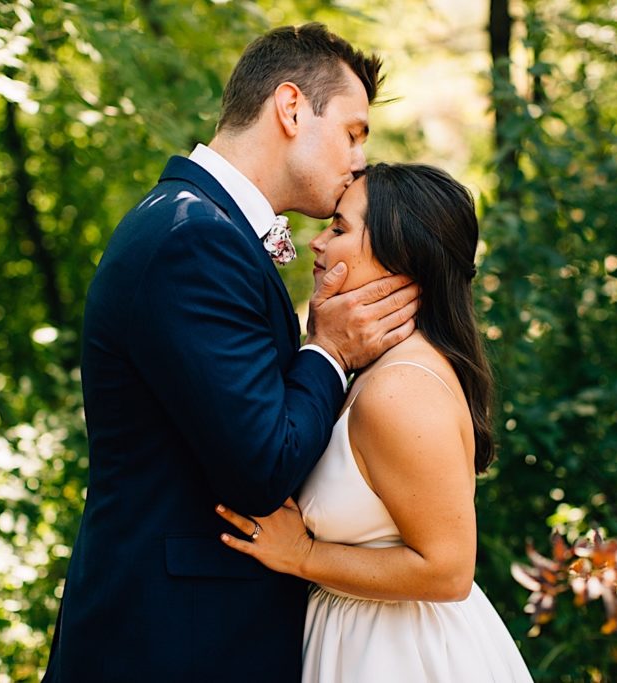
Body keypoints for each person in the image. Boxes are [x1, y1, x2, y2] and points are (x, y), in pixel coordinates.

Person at [42, 24, 421, 682]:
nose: (360, 160)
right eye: (354, 132)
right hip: (171, 645)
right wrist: (327, 351)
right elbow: (260, 465)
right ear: (292, 107)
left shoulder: (201, 225)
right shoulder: (191, 238)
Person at [217, 163, 534, 682]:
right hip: (357, 638)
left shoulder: (400, 389)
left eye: (340, 228)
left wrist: (302, 555)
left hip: (401, 655)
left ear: (399, 257)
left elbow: (448, 570)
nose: (317, 242)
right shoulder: (371, 367)